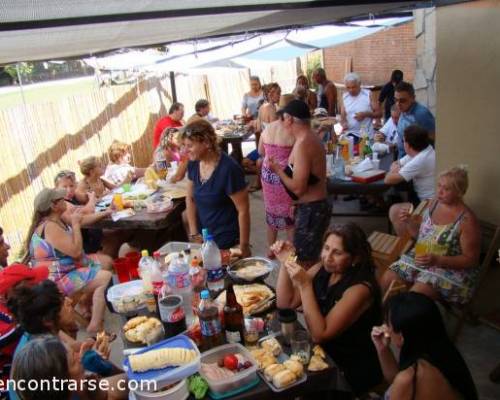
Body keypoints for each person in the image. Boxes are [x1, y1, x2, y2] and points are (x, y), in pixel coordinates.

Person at [274, 223, 383, 396]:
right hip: (322, 353)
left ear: (355, 258)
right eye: (326, 248)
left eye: (337, 252)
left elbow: (319, 334)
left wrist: (304, 285)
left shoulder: (360, 289)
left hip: (348, 365)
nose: (327, 257)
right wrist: (286, 261)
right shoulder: (323, 269)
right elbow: (285, 303)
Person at [8, 281, 126, 400]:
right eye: (62, 302)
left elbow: (74, 347)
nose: (69, 301)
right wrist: (91, 365)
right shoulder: (44, 356)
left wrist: (91, 348)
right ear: (47, 319)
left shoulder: (40, 334)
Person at [382, 167, 481, 305]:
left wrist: (438, 260)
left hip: (450, 269)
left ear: (459, 192)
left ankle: (404, 322)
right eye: (439, 185)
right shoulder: (433, 203)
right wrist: (408, 221)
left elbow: (471, 260)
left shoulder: (467, 221)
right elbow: (419, 236)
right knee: (388, 278)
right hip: (423, 255)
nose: (439, 191)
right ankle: (391, 317)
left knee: (415, 297)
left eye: (446, 189)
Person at [24, 188, 112, 333]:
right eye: (61, 199)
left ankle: (87, 310)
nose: (65, 200)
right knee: (105, 277)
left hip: (68, 269)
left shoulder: (57, 219)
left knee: (106, 262)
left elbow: (81, 220)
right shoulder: (50, 227)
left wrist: (107, 212)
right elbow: (76, 252)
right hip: (56, 280)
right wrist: (76, 226)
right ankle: (95, 325)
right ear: (53, 206)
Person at [372, 292, 478, 400]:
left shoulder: (413, 377)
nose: (386, 328)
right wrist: (382, 349)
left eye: (388, 324)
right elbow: (395, 383)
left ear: (401, 336)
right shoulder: (440, 348)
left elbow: (400, 385)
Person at [269, 100, 331, 268]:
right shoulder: (305, 138)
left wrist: (278, 170)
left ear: (289, 119)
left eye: (281, 119)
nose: (280, 124)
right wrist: (295, 204)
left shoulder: (304, 143)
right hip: (309, 207)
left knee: (303, 263)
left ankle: (306, 293)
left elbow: (298, 188)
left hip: (312, 210)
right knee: (305, 258)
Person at [183, 119, 251, 257]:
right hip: (205, 240)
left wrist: (243, 246)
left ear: (207, 143)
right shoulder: (194, 164)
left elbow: (243, 210)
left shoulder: (229, 169)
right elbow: (190, 199)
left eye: (189, 145)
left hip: (228, 241)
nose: (185, 150)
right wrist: (194, 233)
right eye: (184, 145)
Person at [0, 264, 49, 400]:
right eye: (32, 284)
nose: (38, 287)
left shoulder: (19, 308)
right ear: (12, 291)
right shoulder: (17, 322)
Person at [258, 97, 296, 258]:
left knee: (271, 212)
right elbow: (297, 157)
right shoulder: (292, 130)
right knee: (289, 214)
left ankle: (271, 249)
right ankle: (293, 250)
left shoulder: (268, 128)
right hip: (284, 175)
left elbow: (260, 152)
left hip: (267, 175)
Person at [385, 125, 436, 232]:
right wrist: (396, 168)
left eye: (403, 141)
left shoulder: (420, 160)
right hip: (425, 200)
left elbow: (388, 179)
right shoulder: (424, 150)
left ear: (408, 145)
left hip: (429, 206)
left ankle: (409, 244)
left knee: (395, 211)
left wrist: (394, 170)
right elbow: (396, 163)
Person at [394, 81, 435, 158]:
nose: (398, 104)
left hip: (414, 162)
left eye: (402, 100)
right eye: (396, 100)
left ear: (413, 98)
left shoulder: (422, 114)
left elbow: (432, 139)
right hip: (401, 158)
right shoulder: (404, 109)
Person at [340, 72, 382, 141]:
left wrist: (365, 114)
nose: (351, 90)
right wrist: (344, 124)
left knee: (365, 152)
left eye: (353, 87)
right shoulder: (345, 97)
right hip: (350, 134)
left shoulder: (368, 94)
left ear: (359, 84)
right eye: (348, 87)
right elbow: (343, 117)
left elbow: (379, 113)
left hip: (366, 135)